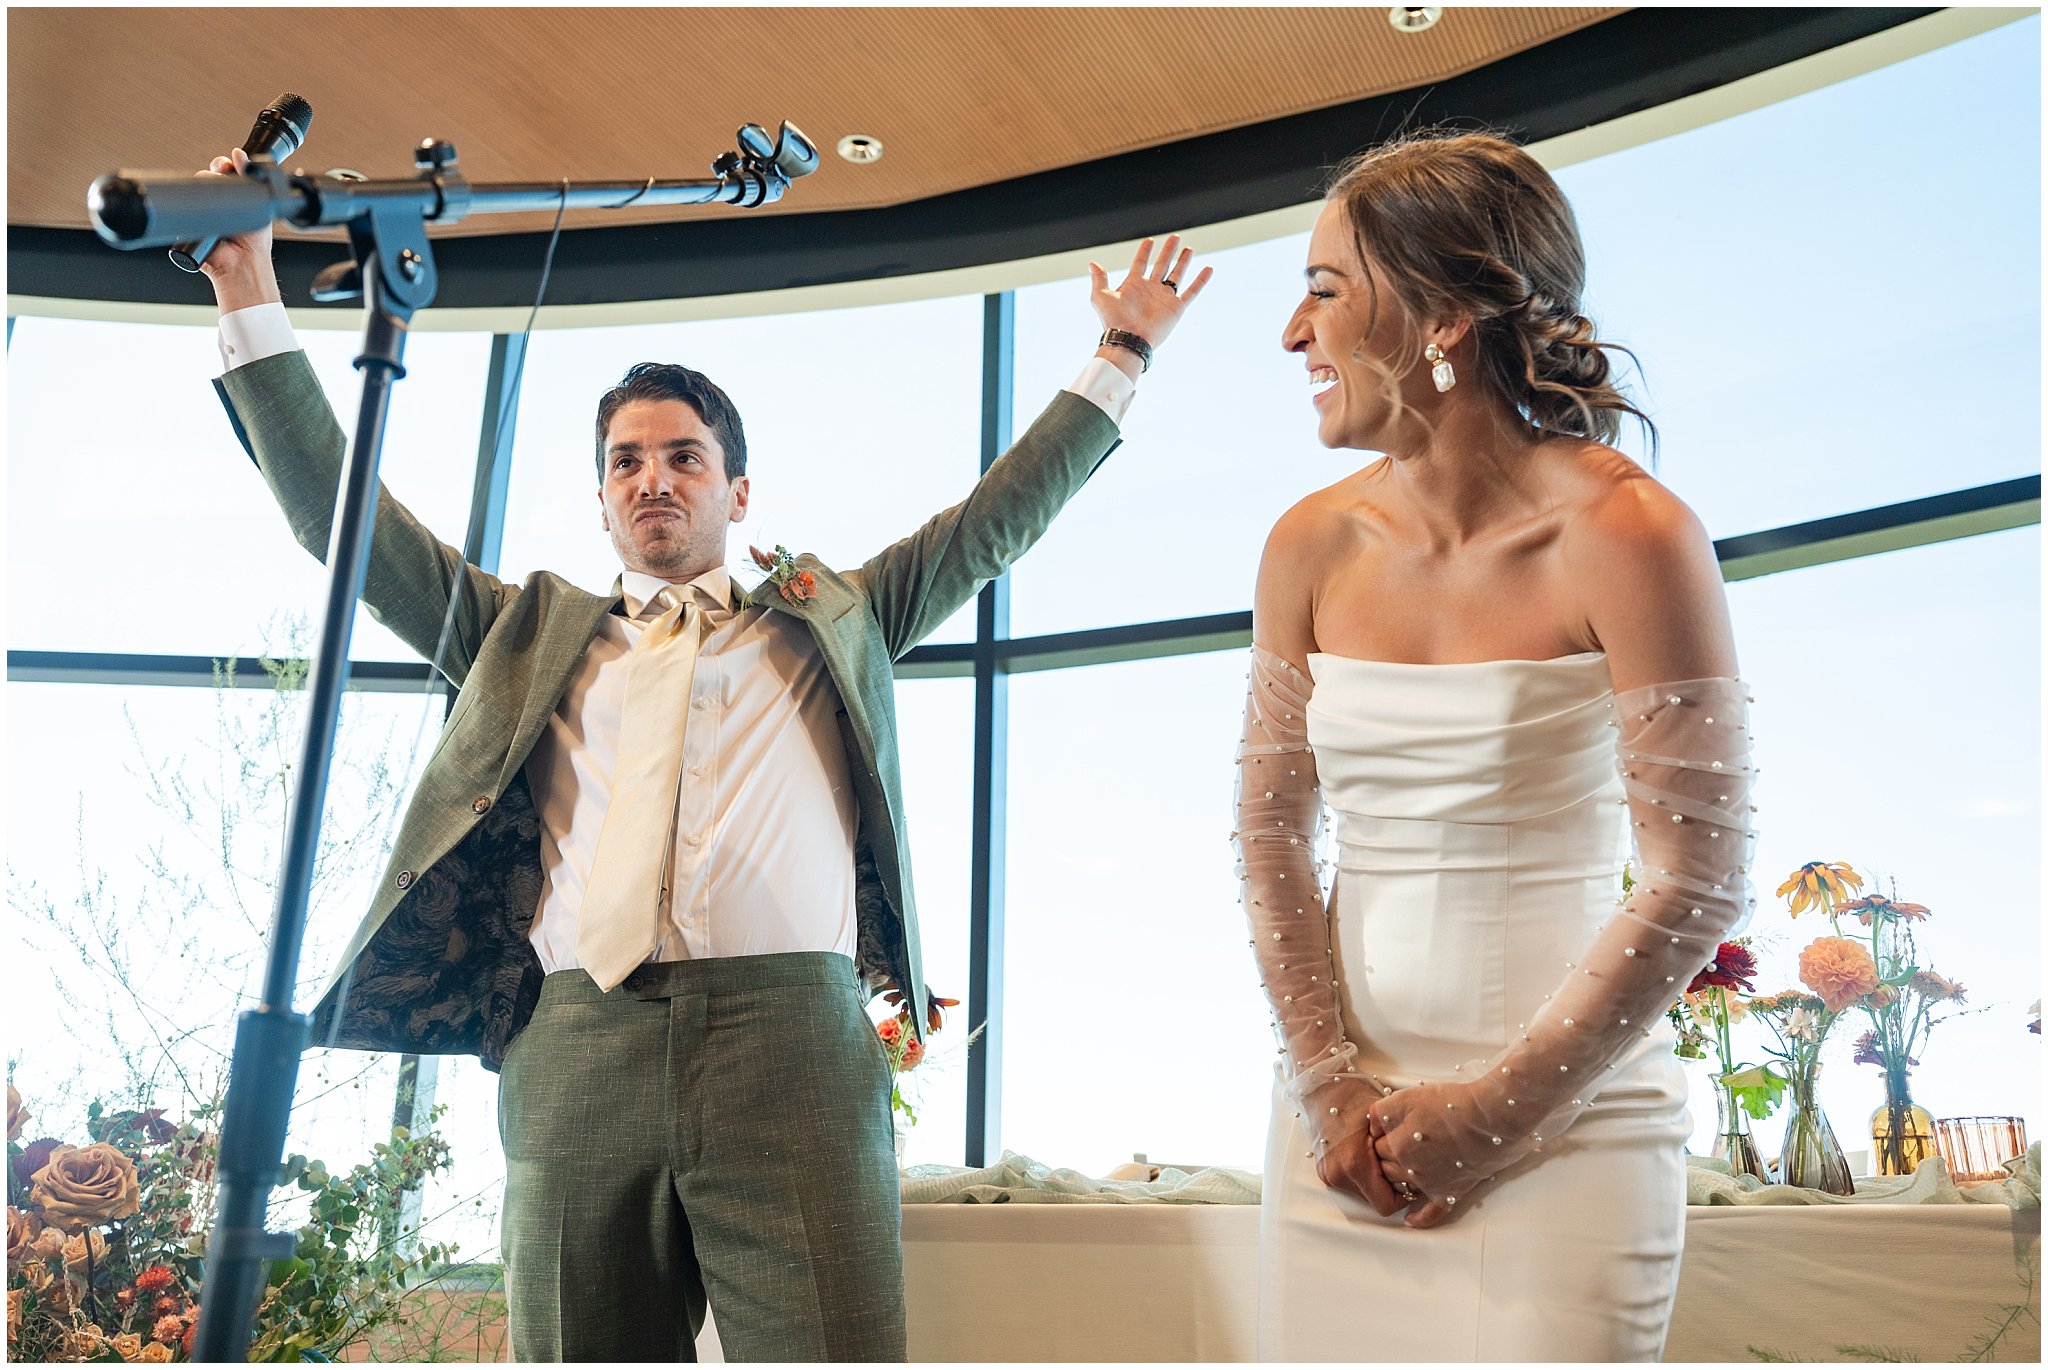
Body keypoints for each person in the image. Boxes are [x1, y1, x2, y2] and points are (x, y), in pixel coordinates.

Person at [195, 146, 1211, 1361]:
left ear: (737, 487)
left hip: (791, 1046)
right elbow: (341, 521)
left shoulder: (839, 613)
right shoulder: (520, 632)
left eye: (682, 455)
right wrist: (247, 288)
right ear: (601, 500)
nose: (652, 477)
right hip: (574, 1043)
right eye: (625, 460)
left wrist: (1121, 353)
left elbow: (992, 522)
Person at [1233, 130, 1756, 1361]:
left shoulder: (1631, 535)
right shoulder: (1303, 545)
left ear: (1440, 317)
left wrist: (1488, 1116)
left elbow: (1696, 878)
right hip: (1336, 1142)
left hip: (1568, 1135)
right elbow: (1266, 830)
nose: (1292, 333)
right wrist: (1325, 1085)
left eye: (1322, 288)